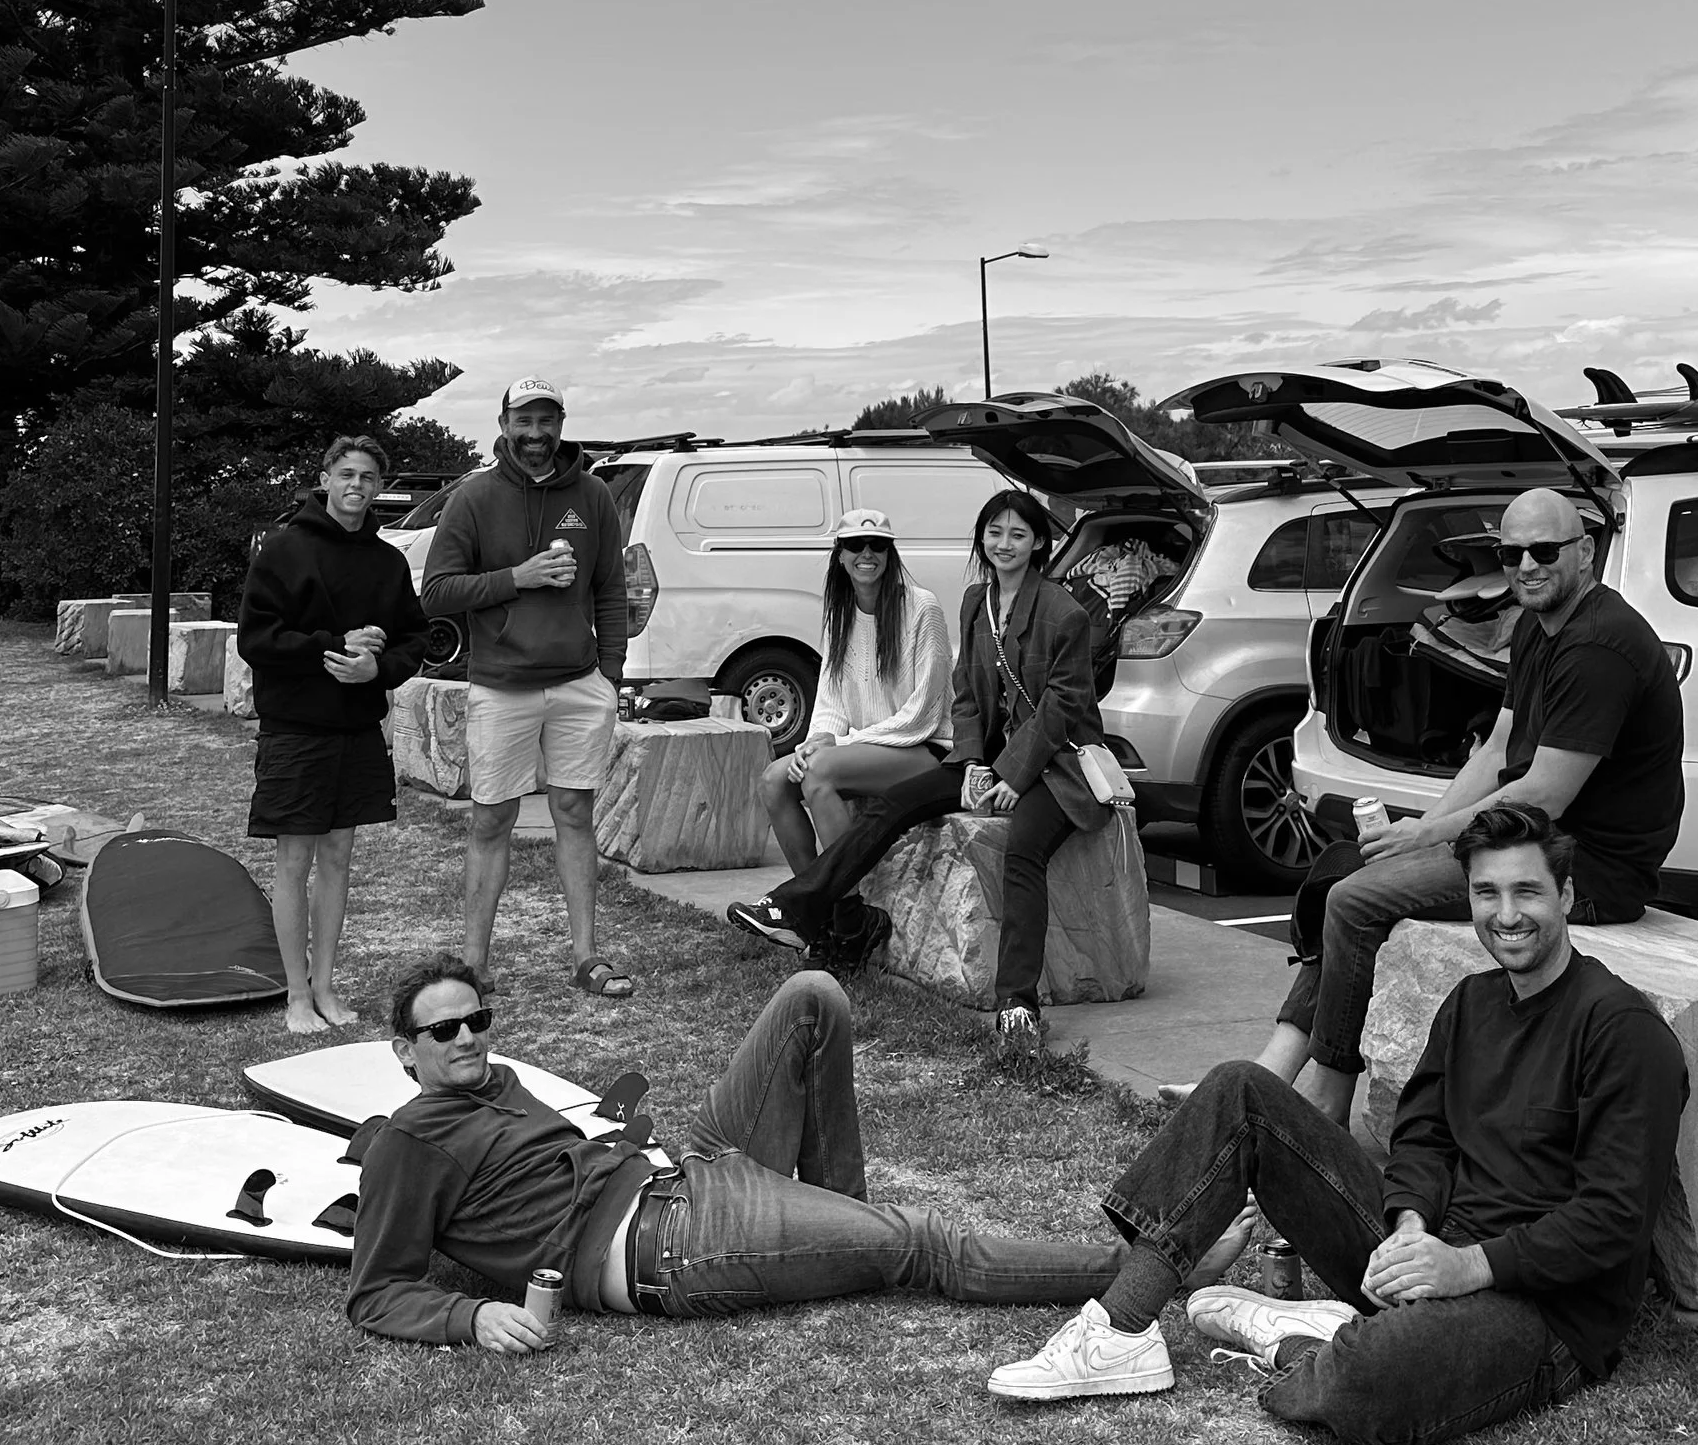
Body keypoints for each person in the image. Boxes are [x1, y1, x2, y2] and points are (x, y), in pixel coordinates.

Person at [987, 802, 1688, 1445]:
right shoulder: (1474, 1001)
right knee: (1241, 1087)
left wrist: (1466, 1266)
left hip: (1540, 1308)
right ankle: (1119, 1328)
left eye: (1527, 892)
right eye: (1486, 893)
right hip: (1425, 1257)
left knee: (1370, 1381)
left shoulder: (1623, 1031)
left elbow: (1613, 1218)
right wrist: (1412, 1226)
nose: (1506, 914)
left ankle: (1299, 1341)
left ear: (1565, 894)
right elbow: (1424, 1135)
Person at [345, 956, 1118, 1346]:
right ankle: (1144, 1268)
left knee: (812, 995)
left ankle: (843, 1219)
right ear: (404, 1051)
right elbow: (376, 1290)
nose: (468, 1038)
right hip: (677, 1242)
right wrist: (472, 1316)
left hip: (687, 1171)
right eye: (443, 1031)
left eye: (475, 1018)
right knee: (925, 1241)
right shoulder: (413, 1140)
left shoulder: (497, 1079)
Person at [1257, 484, 1684, 1125]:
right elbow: (1497, 749)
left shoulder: (1599, 644)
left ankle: (1327, 1096)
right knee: (1347, 871)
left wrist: (1426, 842)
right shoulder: (1541, 626)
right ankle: (1268, 1076)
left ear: (1586, 552)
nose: (1527, 567)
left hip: (1586, 867)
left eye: (1544, 550)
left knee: (1354, 900)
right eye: (1511, 555)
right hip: (1531, 841)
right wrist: (1420, 830)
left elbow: (1544, 794)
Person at [728, 487, 1113, 1060]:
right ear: (981, 540)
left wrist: (1009, 773)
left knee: (1023, 851)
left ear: (1038, 545)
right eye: (995, 532)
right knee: (894, 805)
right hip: (984, 760)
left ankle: (1018, 1004)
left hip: (1054, 768)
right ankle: (806, 905)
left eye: (1019, 535)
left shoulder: (1064, 613)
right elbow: (965, 696)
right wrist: (976, 762)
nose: (1004, 544)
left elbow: (1062, 707)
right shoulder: (976, 602)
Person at [421, 377, 634, 1001]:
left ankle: (587, 958)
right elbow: (436, 593)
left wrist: (610, 673)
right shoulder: (473, 497)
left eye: (547, 421)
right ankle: (475, 967)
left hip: (578, 683)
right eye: (524, 421)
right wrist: (518, 577)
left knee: (574, 813)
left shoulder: (592, 495)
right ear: (504, 422)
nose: (535, 435)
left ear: (561, 424)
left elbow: (611, 591)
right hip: (502, 685)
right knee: (492, 819)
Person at [234, 431, 430, 1035]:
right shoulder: (283, 550)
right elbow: (256, 639)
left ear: (380, 488)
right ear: (325, 478)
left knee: (339, 857)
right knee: (294, 859)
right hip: (295, 729)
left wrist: (380, 667)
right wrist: (330, 647)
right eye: (346, 474)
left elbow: (413, 641)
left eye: (368, 478)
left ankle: (326, 985)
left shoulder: (387, 561)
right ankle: (296, 994)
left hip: (356, 729)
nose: (356, 486)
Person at [755, 509, 953, 886]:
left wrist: (838, 745)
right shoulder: (840, 611)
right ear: (840, 554)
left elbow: (922, 715)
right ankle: (820, 907)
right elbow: (830, 697)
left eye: (878, 545)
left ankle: (847, 913)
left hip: (926, 749)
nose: (867, 554)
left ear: (890, 553)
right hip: (867, 748)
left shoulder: (922, 607)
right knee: (773, 781)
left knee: (820, 773)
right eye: (854, 545)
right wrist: (815, 742)